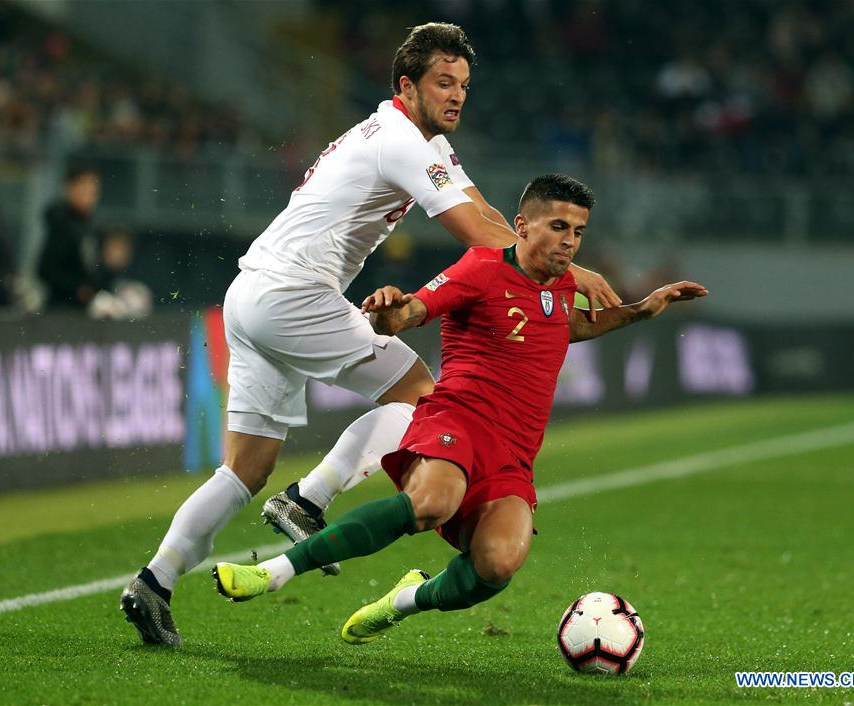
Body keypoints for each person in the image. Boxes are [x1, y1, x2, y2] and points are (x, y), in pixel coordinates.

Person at [119, 23, 620, 647]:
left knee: (245, 468)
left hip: (251, 294)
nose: (457, 95)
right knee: (420, 393)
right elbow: (481, 234)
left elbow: (495, 218)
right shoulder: (403, 142)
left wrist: (548, 256)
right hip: (292, 292)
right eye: (443, 82)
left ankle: (154, 581)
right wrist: (573, 269)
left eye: (464, 84)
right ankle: (308, 499)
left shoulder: (417, 142)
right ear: (406, 85)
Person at [212, 174, 708, 644]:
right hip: (458, 420)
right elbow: (409, 313)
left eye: (578, 232)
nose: (569, 242)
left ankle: (404, 599)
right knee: (432, 504)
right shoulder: (483, 268)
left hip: (514, 453)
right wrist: (389, 312)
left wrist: (640, 310)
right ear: (522, 226)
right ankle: (275, 571)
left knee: (498, 562)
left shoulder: (559, 288)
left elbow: (569, 326)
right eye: (558, 227)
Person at [37, 164, 100, 309]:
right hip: (62, 308)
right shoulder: (61, 222)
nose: (89, 191)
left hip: (84, 308)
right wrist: (77, 289)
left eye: (93, 186)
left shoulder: (90, 225)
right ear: (69, 188)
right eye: (83, 185)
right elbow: (45, 270)